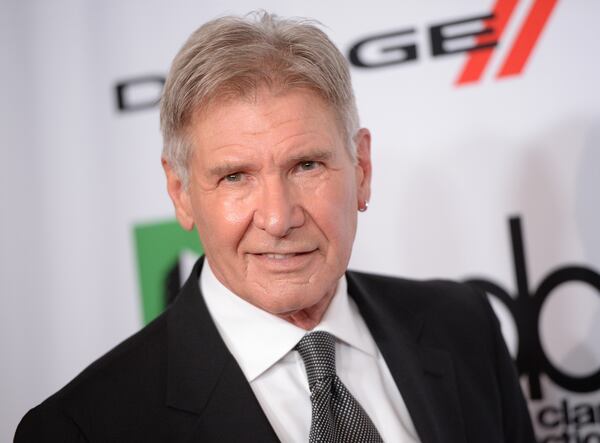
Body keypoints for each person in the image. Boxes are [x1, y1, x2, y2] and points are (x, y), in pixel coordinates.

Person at [15, 11, 535, 442]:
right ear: (181, 193)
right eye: (235, 176)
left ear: (362, 169)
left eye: (306, 165)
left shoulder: (463, 326)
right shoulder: (82, 428)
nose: (279, 218)